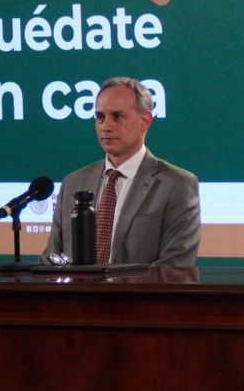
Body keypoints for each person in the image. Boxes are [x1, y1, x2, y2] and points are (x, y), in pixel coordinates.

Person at [44, 77, 201, 267]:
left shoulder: (177, 185)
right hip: (76, 296)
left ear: (145, 121)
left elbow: (175, 267)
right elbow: (51, 258)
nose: (106, 126)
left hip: (138, 297)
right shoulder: (74, 182)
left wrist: (111, 291)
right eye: (100, 117)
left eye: (117, 116)